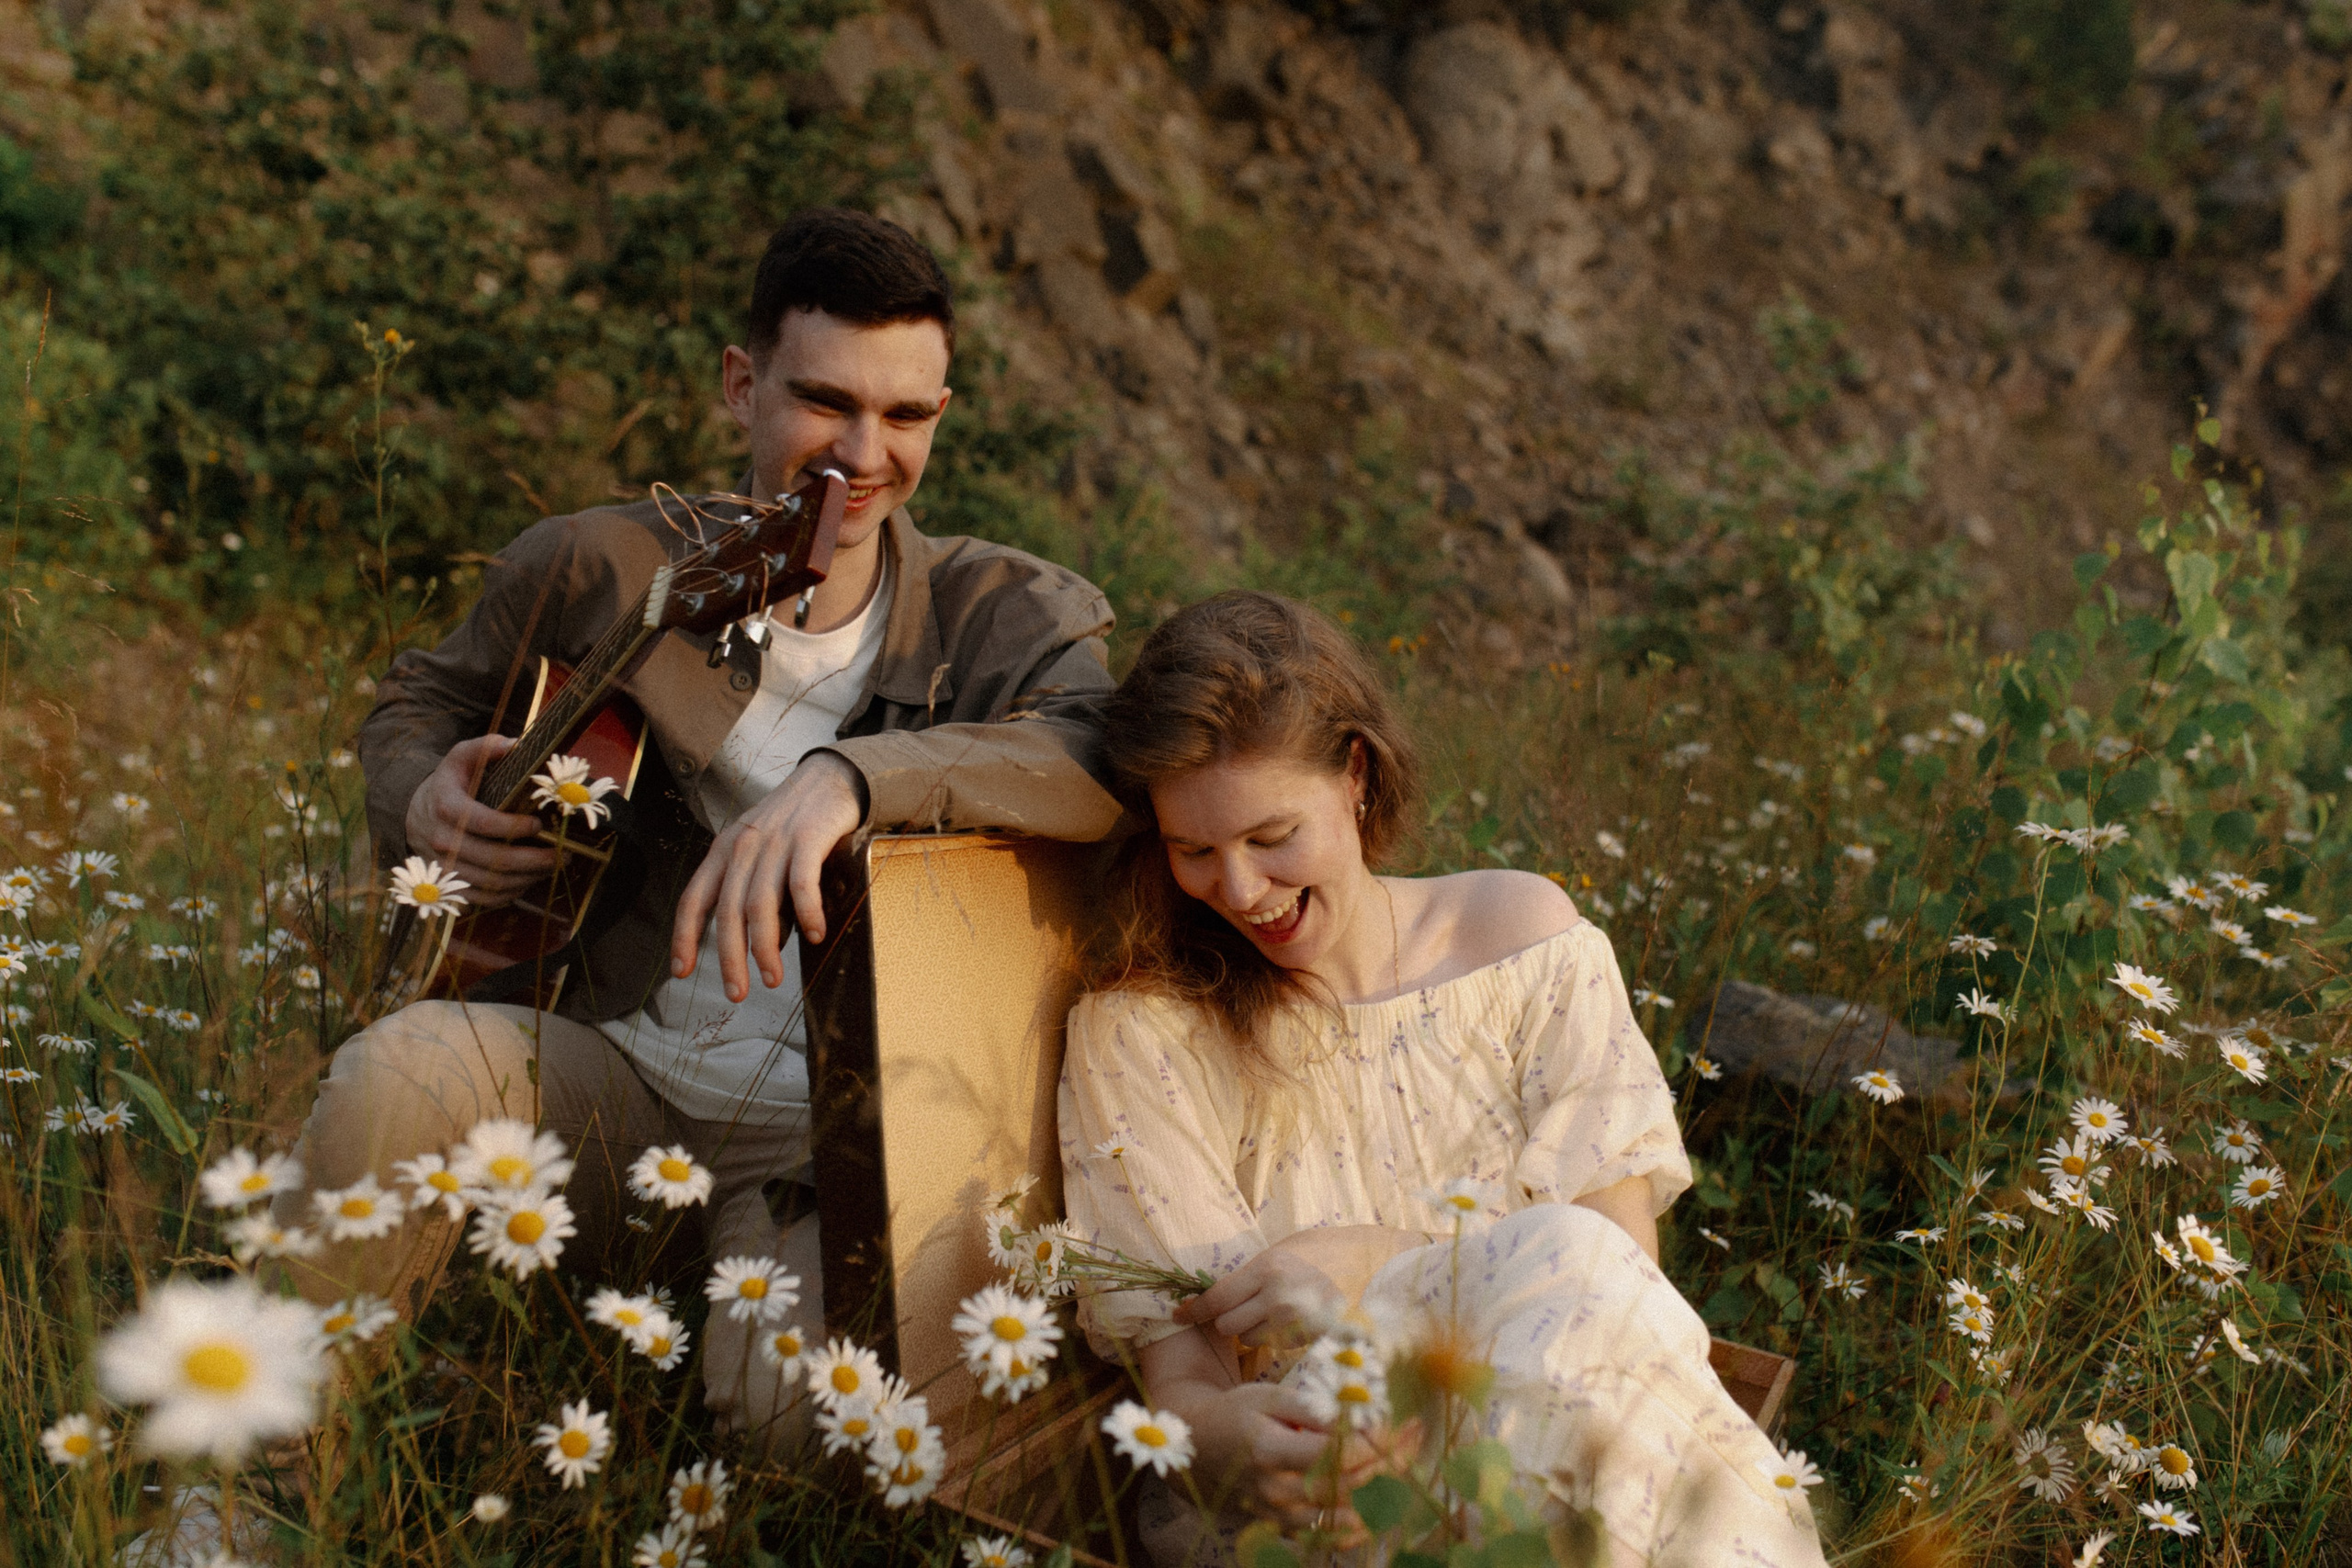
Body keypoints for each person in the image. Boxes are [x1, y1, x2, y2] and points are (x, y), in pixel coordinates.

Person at [275, 208, 1125, 1451]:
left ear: (945, 411)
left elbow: (1101, 755)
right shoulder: (605, 561)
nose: (863, 451)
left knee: (799, 1421)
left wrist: (850, 776)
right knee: (400, 1067)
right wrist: (420, 795)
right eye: (824, 401)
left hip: (831, 1147)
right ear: (743, 386)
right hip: (609, 1074)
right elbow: (422, 698)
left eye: (907, 416)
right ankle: (237, 1496)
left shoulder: (1008, 614)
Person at [1057, 592, 1827, 1566]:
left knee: (1577, 1287)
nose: (1241, 891)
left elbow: (1618, 1282)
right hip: (1332, 1477)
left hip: (1568, 1424)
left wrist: (1383, 1265)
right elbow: (1183, 1389)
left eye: (1269, 837)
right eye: (1193, 852)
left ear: (1356, 777)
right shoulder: (1143, 1033)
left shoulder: (1523, 943)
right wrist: (1231, 1449)